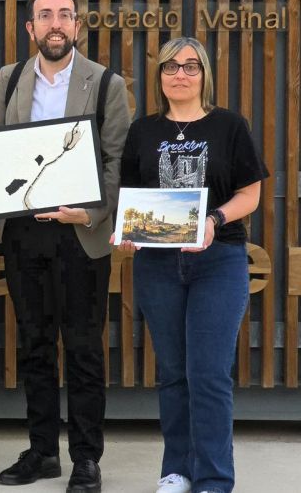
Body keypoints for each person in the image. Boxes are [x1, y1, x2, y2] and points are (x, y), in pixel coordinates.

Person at [0, 0, 132, 492]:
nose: (56, 24)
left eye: (64, 14)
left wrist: (91, 212)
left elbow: (117, 161)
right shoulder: (11, 78)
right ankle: (42, 451)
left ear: (77, 25)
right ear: (30, 27)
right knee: (34, 345)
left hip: (80, 233)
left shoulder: (106, 83)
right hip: (24, 232)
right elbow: (0, 146)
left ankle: (86, 458)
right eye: (45, 15)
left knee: (83, 348)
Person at [117, 37, 266, 493]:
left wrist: (214, 220)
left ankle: (214, 478)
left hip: (218, 260)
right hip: (157, 264)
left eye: (190, 66)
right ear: (159, 75)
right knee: (173, 374)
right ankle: (177, 470)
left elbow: (250, 194)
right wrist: (129, 232)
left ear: (204, 74)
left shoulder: (229, 126)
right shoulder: (142, 131)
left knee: (209, 375)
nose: (179, 74)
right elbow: (131, 197)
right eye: (170, 66)